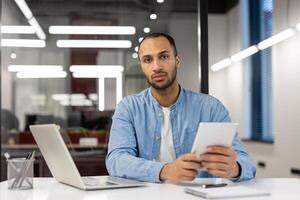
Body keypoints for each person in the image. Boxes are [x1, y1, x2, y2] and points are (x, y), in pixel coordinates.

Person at [106, 33, 256, 183]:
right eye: (148, 60)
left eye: (163, 57)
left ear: (177, 60)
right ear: (141, 66)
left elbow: (247, 164)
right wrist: (166, 171)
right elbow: (116, 160)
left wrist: (235, 168)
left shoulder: (211, 108)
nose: (156, 67)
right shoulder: (128, 108)